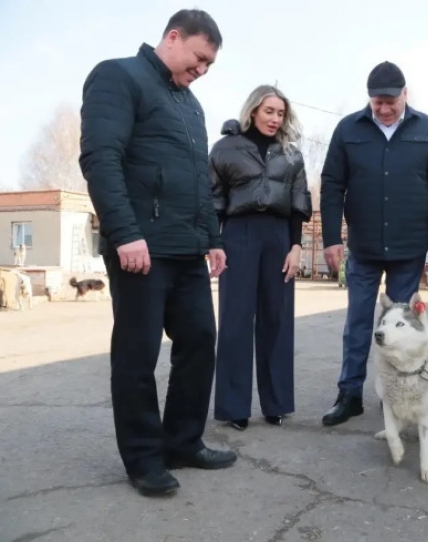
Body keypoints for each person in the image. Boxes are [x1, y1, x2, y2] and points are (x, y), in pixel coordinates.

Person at [78, 9, 236, 497]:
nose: (202, 70)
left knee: (199, 342)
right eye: (199, 58)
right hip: (140, 247)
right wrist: (124, 232)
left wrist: (212, 238)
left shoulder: (191, 105)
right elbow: (101, 158)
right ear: (173, 37)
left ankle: (182, 442)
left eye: (210, 64)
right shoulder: (118, 76)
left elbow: (198, 181)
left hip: (186, 248)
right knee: (138, 353)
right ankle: (144, 458)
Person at [320, 61, 428, 426]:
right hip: (363, 247)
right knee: (358, 323)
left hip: (408, 249)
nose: (383, 109)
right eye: (377, 102)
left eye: (390, 101)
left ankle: (395, 399)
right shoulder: (348, 129)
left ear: (405, 95)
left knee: (402, 327)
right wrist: (331, 238)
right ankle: (349, 394)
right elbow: (332, 184)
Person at [210, 85, 312, 431]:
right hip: (238, 233)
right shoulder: (225, 149)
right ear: (253, 110)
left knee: (277, 318)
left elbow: (299, 202)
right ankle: (234, 406)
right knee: (235, 318)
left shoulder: (291, 154)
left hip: (279, 236)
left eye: (281, 113)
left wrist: (296, 247)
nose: (275, 119)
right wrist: (214, 243)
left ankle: (276, 403)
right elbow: (213, 200)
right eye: (269, 111)